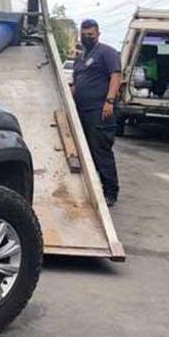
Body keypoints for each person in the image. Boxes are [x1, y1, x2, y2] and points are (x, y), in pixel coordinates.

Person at [73, 19, 122, 206]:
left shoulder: (107, 52)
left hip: (100, 110)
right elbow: (77, 84)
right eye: (84, 34)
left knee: (100, 150)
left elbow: (115, 75)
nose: (87, 37)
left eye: (90, 35)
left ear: (98, 34)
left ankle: (110, 191)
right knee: (87, 152)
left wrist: (109, 101)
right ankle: (95, 188)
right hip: (82, 111)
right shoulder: (82, 57)